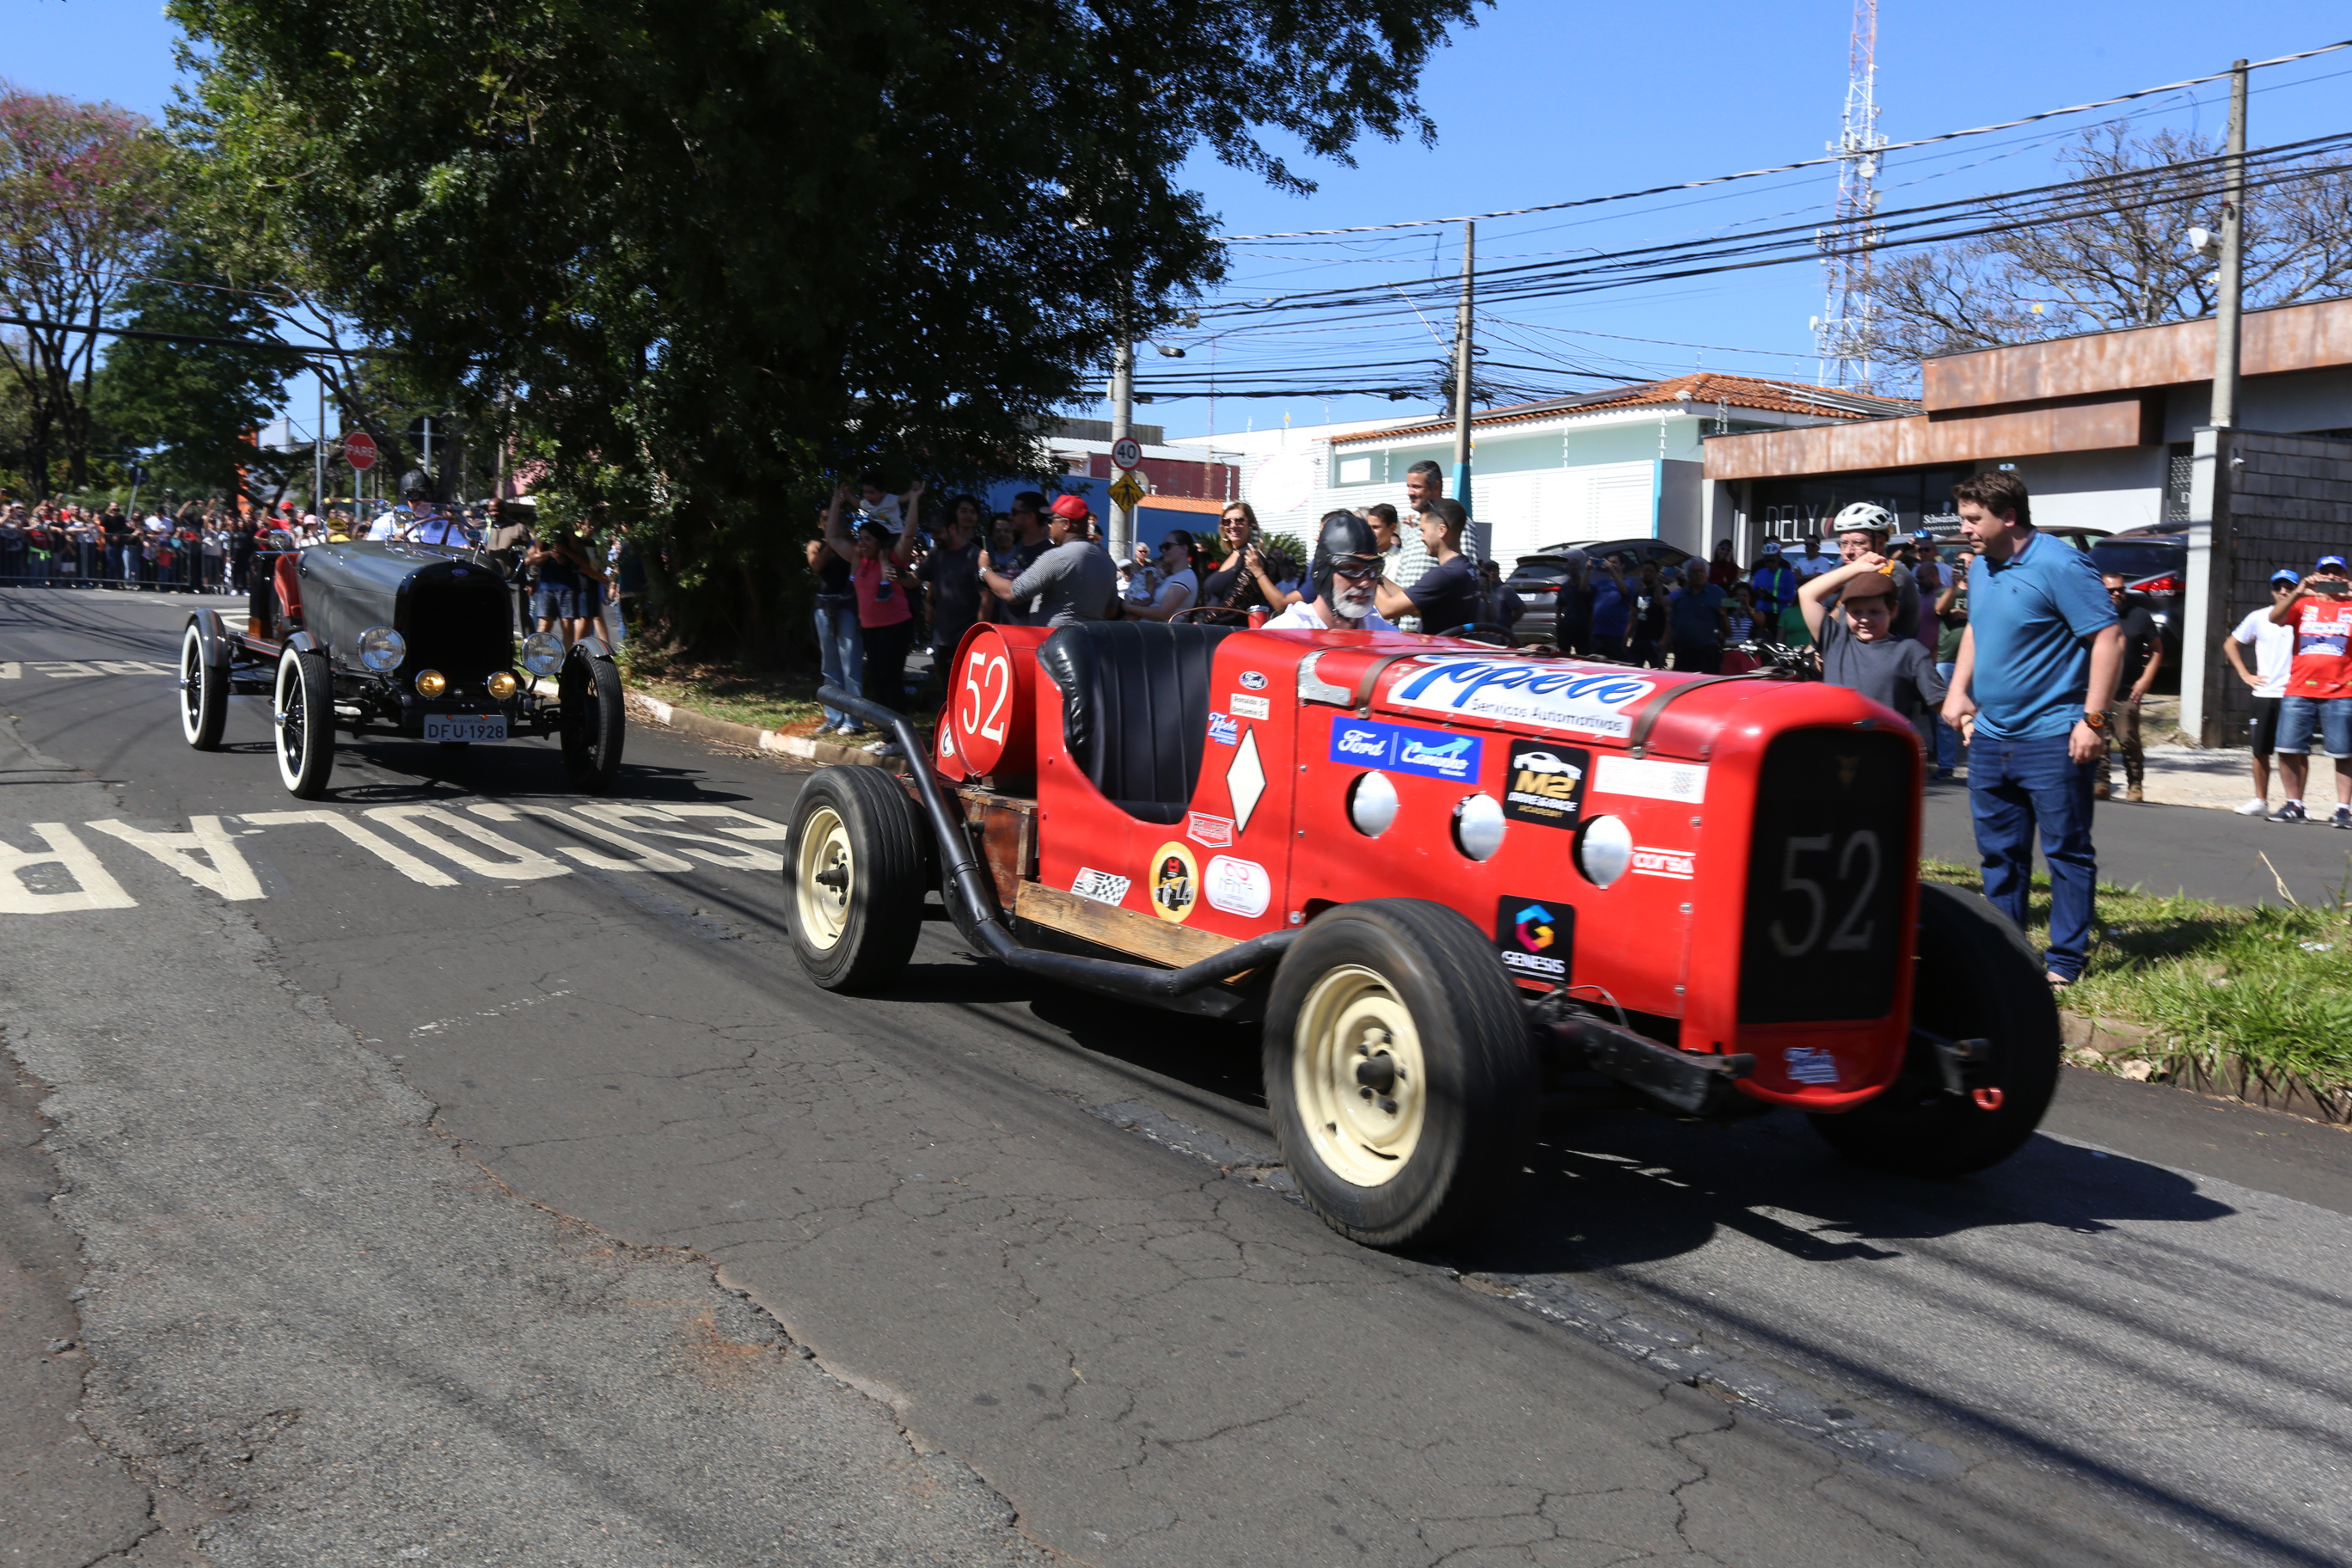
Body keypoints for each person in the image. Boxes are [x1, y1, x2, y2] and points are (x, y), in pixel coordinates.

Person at [1939, 471, 2122, 988]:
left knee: (2066, 850)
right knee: (2000, 855)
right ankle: (2008, 953)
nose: (1966, 530)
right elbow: (1976, 627)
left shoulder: (2060, 565)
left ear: (2009, 516)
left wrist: (2094, 720)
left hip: (2054, 735)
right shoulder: (1980, 569)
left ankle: (2065, 960)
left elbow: (2109, 640)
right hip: (1993, 736)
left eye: (1974, 520)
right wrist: (1959, 691)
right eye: (1964, 519)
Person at [824, 481, 921, 750]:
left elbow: (909, 533)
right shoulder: (857, 557)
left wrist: (913, 499)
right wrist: (837, 501)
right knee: (878, 683)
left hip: (896, 625)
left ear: (879, 542)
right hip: (871, 627)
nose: (863, 543)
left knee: (891, 681)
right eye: (861, 538)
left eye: (868, 539)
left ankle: (902, 740)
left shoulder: (892, 557)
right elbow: (832, 537)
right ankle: (888, 737)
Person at [1801, 551, 1945, 722]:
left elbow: (1941, 702)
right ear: (1845, 612)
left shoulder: (1910, 651)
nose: (1864, 619)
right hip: (1837, 745)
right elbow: (1807, 594)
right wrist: (1856, 568)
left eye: (1875, 612)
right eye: (1856, 612)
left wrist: (1964, 721)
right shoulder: (1835, 640)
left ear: (1893, 610)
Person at [2264, 553, 2352, 827]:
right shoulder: (2303, 604)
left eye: (2337, 572)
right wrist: (2299, 590)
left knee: (2344, 752)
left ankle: (2343, 809)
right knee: (2288, 748)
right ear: (2316, 575)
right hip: (2300, 687)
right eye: (2325, 572)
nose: (2331, 577)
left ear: (2345, 576)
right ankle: (2295, 805)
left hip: (2342, 690)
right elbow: (2275, 618)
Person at [2226, 569, 2301, 816]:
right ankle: (2261, 800)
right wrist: (2246, 675)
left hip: (2294, 692)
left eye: (2288, 586)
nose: (2283, 591)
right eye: (2278, 587)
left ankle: (2297, 803)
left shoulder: (2305, 616)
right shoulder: (2258, 617)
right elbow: (2231, 644)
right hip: (2265, 693)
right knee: (2260, 750)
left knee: (2296, 752)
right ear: (2272, 590)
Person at [978, 493, 1115, 628]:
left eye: (1052, 520)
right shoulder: (1107, 560)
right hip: (1087, 642)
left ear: (1066, 524)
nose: (1049, 525)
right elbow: (1111, 610)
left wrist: (985, 570)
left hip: (1055, 642)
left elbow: (1012, 594)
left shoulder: (1058, 557)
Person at [1265, 511, 1398, 632]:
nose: (1365, 582)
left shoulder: (1385, 634)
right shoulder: (1284, 633)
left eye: (1374, 569)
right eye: (1351, 569)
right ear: (1324, 571)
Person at [2096, 573, 2165, 803]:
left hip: (2127, 692)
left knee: (2128, 739)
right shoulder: (2093, 615)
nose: (2117, 593)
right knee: (2099, 738)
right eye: (2111, 590)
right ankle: (2101, 783)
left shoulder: (2139, 616)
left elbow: (2157, 650)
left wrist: (2145, 680)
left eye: (2120, 589)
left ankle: (2135, 784)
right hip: (2097, 693)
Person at [1375, 497, 1476, 634]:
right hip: (1454, 651)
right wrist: (1378, 575)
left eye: (1423, 531)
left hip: (1439, 653)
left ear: (1442, 530)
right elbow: (1416, 607)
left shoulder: (1444, 575)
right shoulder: (1465, 568)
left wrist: (1367, 573)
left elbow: (1387, 609)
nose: (1421, 538)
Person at [806, 511, 864, 737]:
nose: (833, 522)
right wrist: (829, 544)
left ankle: (854, 720)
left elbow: (857, 572)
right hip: (823, 607)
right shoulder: (815, 544)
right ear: (820, 523)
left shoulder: (851, 546)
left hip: (848, 607)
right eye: (826, 519)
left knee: (851, 665)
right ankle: (834, 717)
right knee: (829, 666)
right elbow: (816, 565)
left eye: (837, 518)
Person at [1829, 502, 1920, 640]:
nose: (1848, 552)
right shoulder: (1859, 573)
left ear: (1880, 543)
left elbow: (1860, 628)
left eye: (1858, 543)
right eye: (1843, 543)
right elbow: (1839, 612)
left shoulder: (1892, 572)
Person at [1197, 501, 1296, 618]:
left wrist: (1204, 622)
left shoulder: (1252, 559)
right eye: (1227, 521)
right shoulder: (1229, 557)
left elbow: (1235, 603)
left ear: (1251, 525)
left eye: (1239, 520)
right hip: (1209, 626)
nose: (1233, 526)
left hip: (1229, 629)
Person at [917, 497, 984, 660]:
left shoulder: (982, 547)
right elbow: (933, 576)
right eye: (964, 511)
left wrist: (981, 631)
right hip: (944, 621)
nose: (968, 515)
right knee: (941, 663)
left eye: (972, 512)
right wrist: (928, 603)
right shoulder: (940, 546)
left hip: (968, 621)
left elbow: (986, 594)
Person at [1928, 548, 1973, 781]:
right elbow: (1939, 609)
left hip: (1978, 662)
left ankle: (1979, 765)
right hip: (1948, 661)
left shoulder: (1985, 592)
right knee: (1946, 716)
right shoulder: (1947, 591)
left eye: (1970, 564)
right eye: (1961, 564)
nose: (1965, 568)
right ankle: (1946, 765)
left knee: (1978, 714)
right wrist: (1955, 586)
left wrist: (1964, 614)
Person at [1667, 566, 1730, 673]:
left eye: (1701, 571)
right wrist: (1664, 647)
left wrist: (1745, 606)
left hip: (1708, 654)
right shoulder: (1680, 595)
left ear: (1707, 573)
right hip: (1684, 652)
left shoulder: (1719, 593)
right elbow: (1672, 624)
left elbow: (1736, 605)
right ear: (1688, 575)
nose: (1698, 574)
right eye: (1694, 572)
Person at [1626, 561, 1669, 668]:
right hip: (1638, 640)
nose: (1647, 573)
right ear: (1641, 573)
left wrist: (1664, 641)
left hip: (1655, 641)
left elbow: (1669, 618)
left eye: (1651, 571)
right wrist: (1626, 636)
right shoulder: (1638, 590)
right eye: (1645, 571)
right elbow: (1633, 616)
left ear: (1656, 573)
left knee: (1657, 672)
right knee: (1633, 670)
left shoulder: (1663, 591)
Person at [1748, 540, 1798, 628]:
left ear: (1779, 558)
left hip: (1779, 615)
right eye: (1767, 561)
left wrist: (1774, 598)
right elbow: (1752, 593)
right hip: (1761, 614)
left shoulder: (1787, 574)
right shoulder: (1759, 573)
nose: (1769, 564)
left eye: (1772, 561)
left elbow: (1791, 597)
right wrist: (1758, 593)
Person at [1475, 559, 1522, 634]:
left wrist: (1508, 624)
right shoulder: (1482, 590)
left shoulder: (1505, 589)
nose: (1492, 573)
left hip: (1502, 633)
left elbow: (1521, 608)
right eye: (1490, 570)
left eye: (1495, 570)